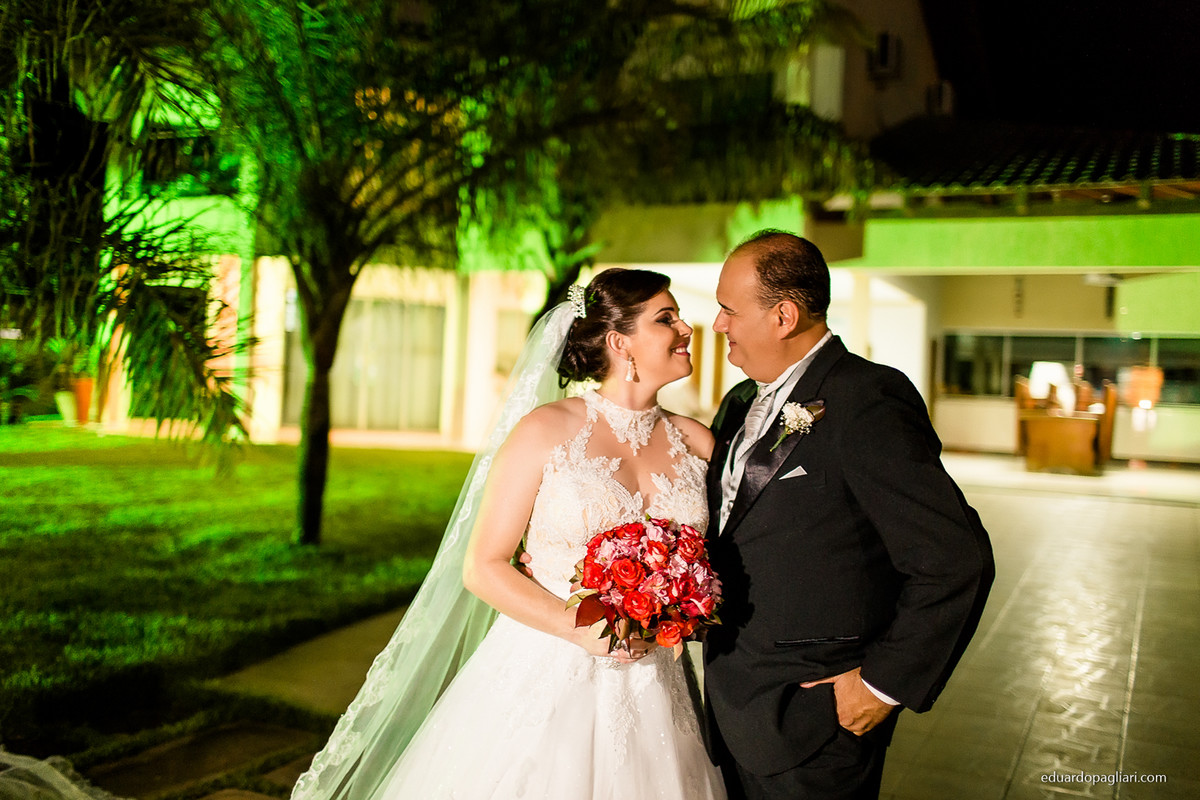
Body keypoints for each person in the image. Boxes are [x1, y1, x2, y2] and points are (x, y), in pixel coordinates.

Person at [291, 268, 726, 800]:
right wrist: (578, 629)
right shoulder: (546, 430)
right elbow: (483, 565)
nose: (686, 329)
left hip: (658, 684)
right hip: (548, 673)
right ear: (620, 342)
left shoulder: (697, 441)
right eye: (667, 319)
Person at [703, 230, 995, 800]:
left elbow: (954, 558)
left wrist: (882, 686)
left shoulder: (867, 398)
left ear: (783, 316)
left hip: (813, 715)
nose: (718, 324)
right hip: (730, 703)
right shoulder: (740, 402)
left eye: (728, 309)